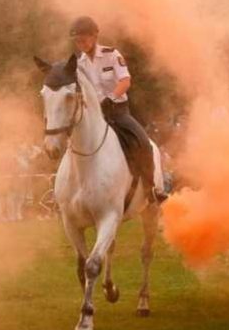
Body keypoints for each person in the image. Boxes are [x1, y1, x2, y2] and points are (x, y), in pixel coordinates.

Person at [69, 16, 168, 204]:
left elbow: (125, 81)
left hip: (118, 112)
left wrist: (111, 98)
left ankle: (151, 188)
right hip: (94, 116)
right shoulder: (79, 64)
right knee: (72, 143)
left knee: (143, 142)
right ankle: (68, 192)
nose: (80, 43)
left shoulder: (112, 54)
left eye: (84, 38)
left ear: (94, 36)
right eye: (77, 40)